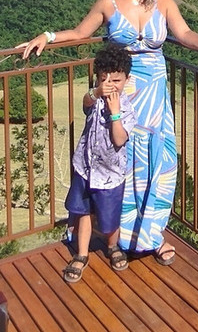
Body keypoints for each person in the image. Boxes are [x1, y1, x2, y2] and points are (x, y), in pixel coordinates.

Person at [24, 0, 198, 266]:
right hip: (121, 90)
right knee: (121, 160)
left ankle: (151, 235)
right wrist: (46, 37)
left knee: (155, 162)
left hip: (155, 94)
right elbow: (80, 32)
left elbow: (184, 33)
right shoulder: (108, 3)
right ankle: (117, 236)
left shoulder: (164, 3)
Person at [61, 42, 137, 282]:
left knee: (109, 216)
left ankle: (112, 246)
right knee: (82, 211)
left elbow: (119, 139)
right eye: (104, 79)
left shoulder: (126, 108)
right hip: (85, 167)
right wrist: (95, 93)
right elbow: (85, 103)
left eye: (116, 80)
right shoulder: (96, 96)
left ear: (126, 79)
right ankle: (82, 254)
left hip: (110, 173)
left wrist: (115, 113)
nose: (109, 85)